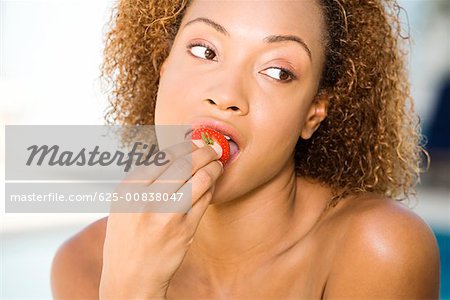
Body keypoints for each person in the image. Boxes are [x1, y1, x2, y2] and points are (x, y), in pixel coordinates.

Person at [51, 0, 441, 299]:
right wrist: (129, 286)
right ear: (163, 67)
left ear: (312, 113)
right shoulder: (84, 263)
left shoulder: (379, 247)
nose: (226, 96)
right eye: (205, 51)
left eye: (277, 71)